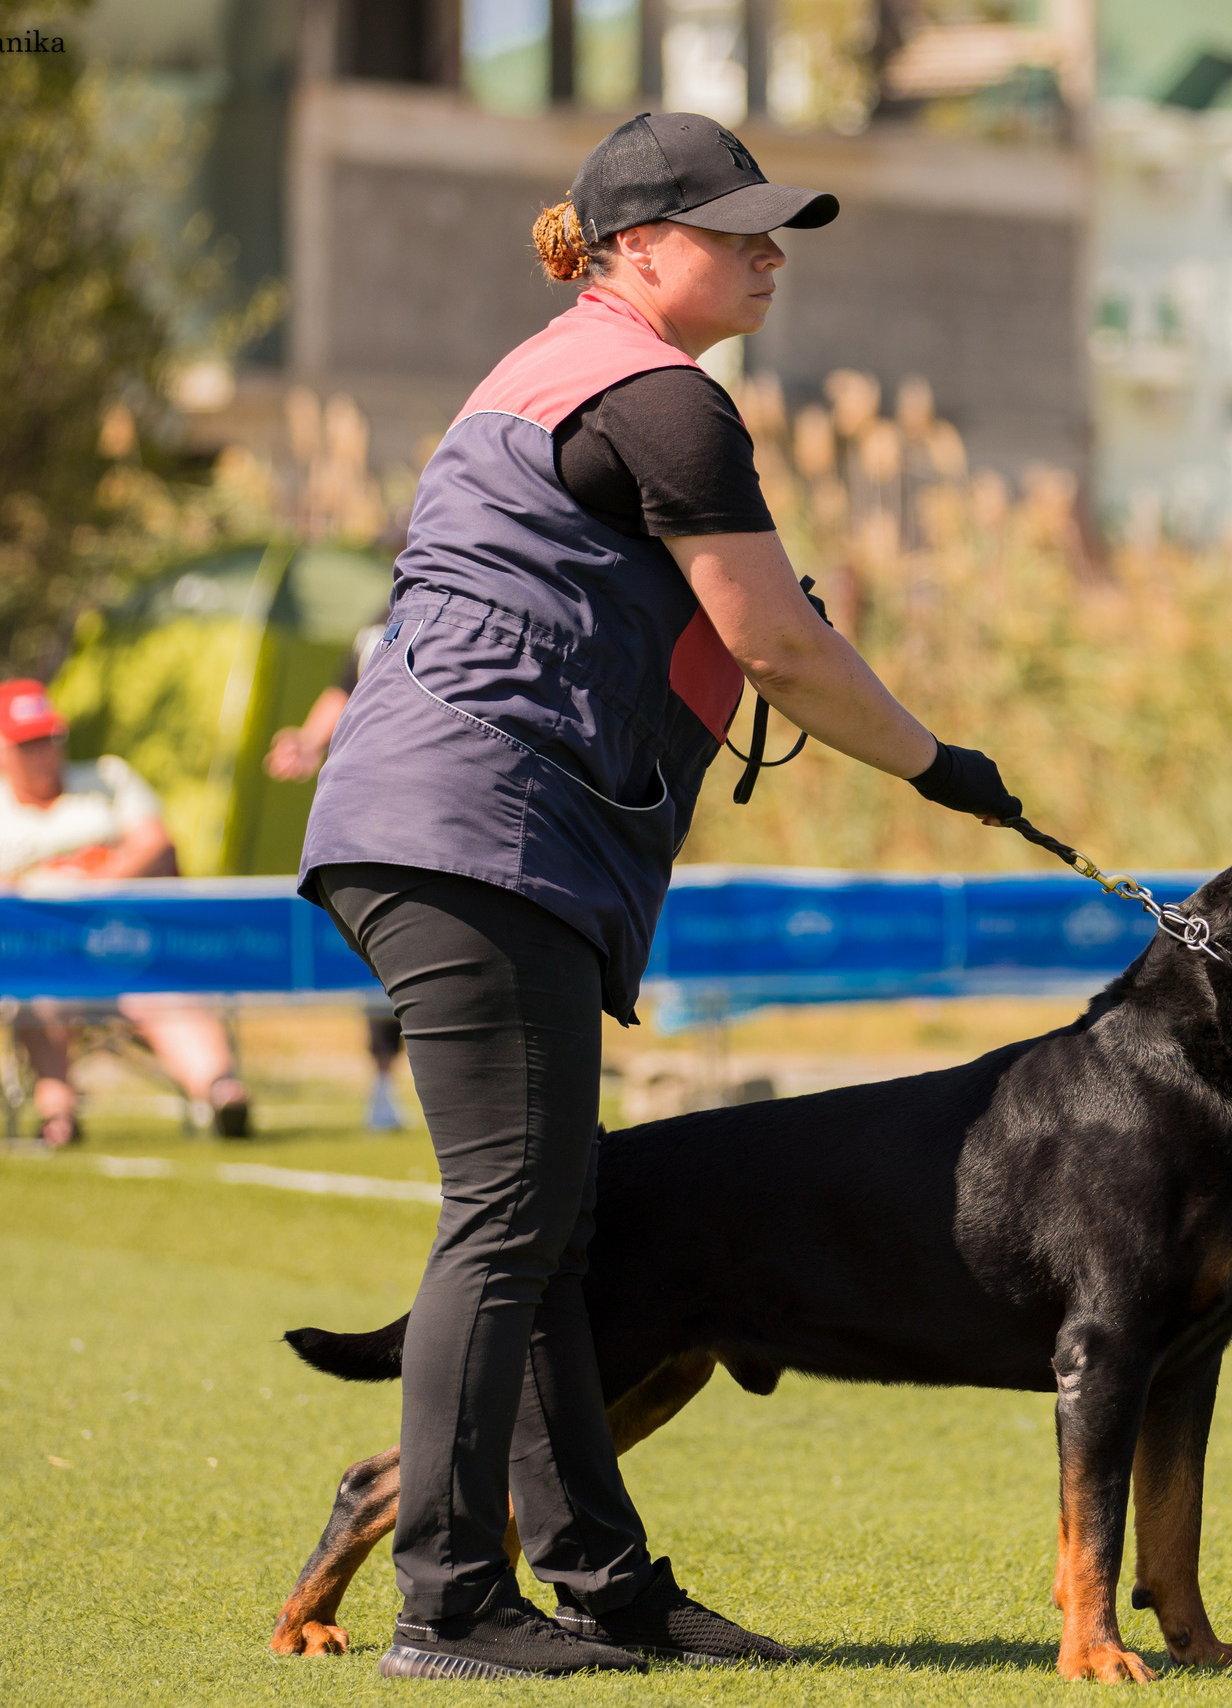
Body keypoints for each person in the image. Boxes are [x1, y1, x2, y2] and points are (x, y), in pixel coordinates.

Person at [295, 113, 1025, 1681]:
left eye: (779, 230)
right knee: (509, 1223)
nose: (772, 252)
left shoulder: (558, 364)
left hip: (450, 827)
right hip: (473, 833)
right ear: (635, 246)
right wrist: (936, 761)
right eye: (737, 227)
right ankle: (447, 1602)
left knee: (543, 1229)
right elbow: (780, 647)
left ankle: (607, 1589)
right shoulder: (663, 396)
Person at [0, 679, 251, 1146]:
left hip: (122, 940)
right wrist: (56, 897)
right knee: (43, 991)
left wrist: (90, 887)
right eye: (28, 743)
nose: (44, 752)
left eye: (50, 738)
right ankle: (57, 1110)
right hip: (34, 950)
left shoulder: (108, 778)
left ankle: (222, 1092)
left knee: (163, 991)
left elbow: (157, 846)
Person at [268, 622, 408, 1130]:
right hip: (376, 818)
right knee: (388, 958)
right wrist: (308, 741)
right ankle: (383, 1085)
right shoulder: (386, 610)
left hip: (446, 807)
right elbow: (344, 685)